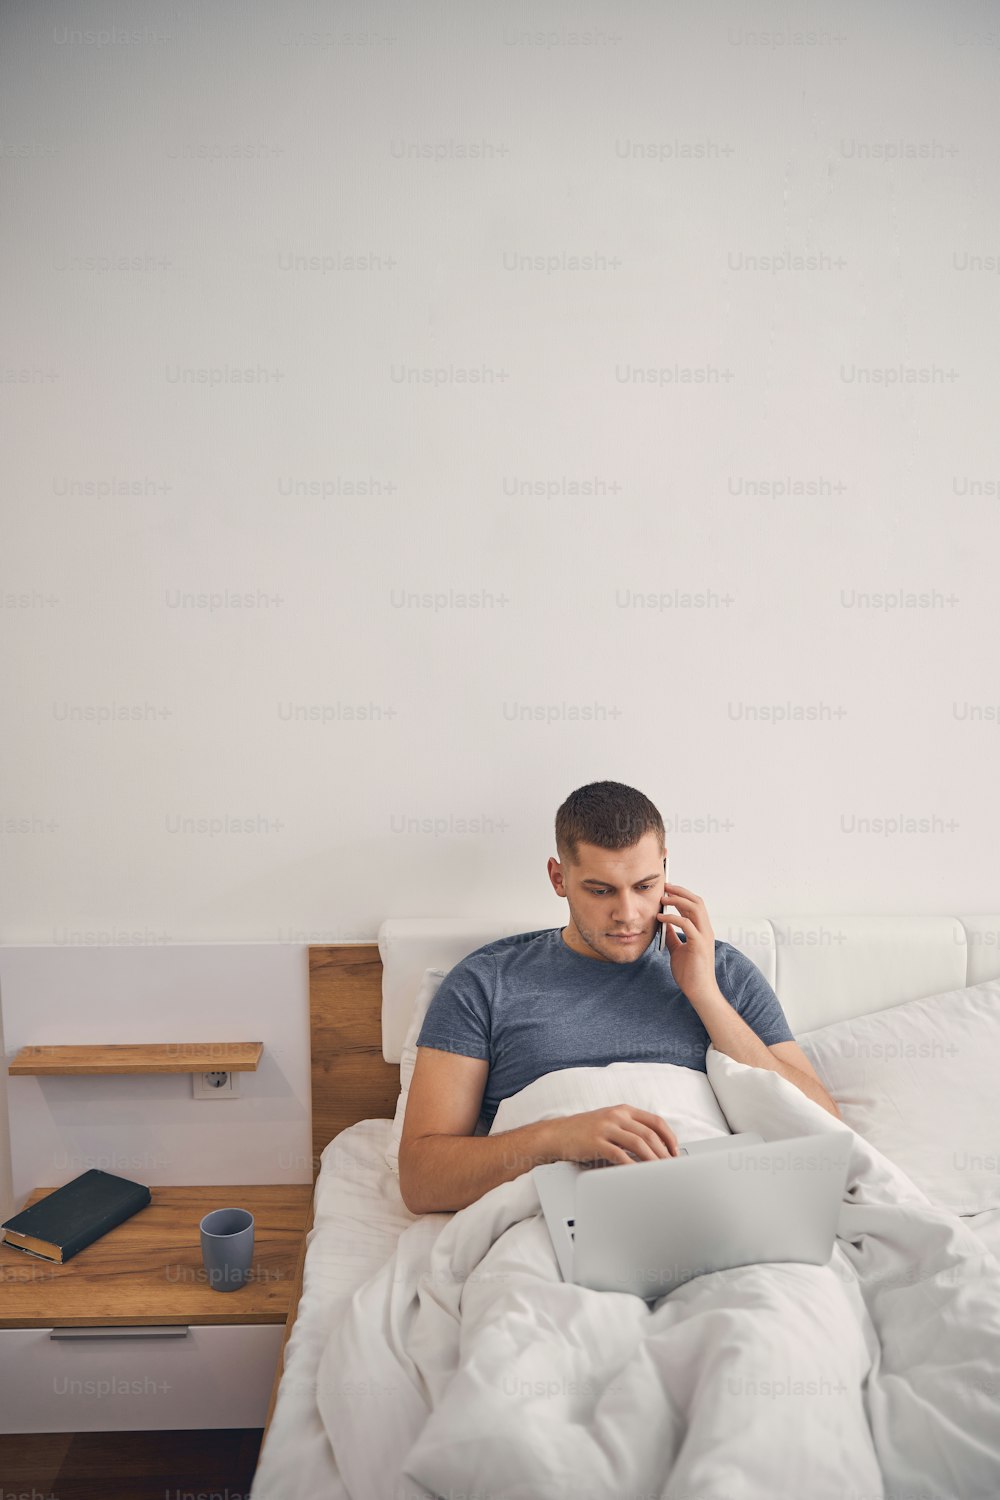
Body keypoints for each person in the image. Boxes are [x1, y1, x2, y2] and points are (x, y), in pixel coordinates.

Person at [398, 780, 839, 1215]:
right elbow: (422, 1181)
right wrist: (556, 1139)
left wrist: (705, 995)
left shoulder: (723, 972)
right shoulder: (486, 983)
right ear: (558, 878)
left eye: (645, 886)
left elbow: (824, 1130)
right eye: (601, 890)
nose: (628, 915)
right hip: (559, 1215)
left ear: (666, 867)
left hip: (714, 1206)